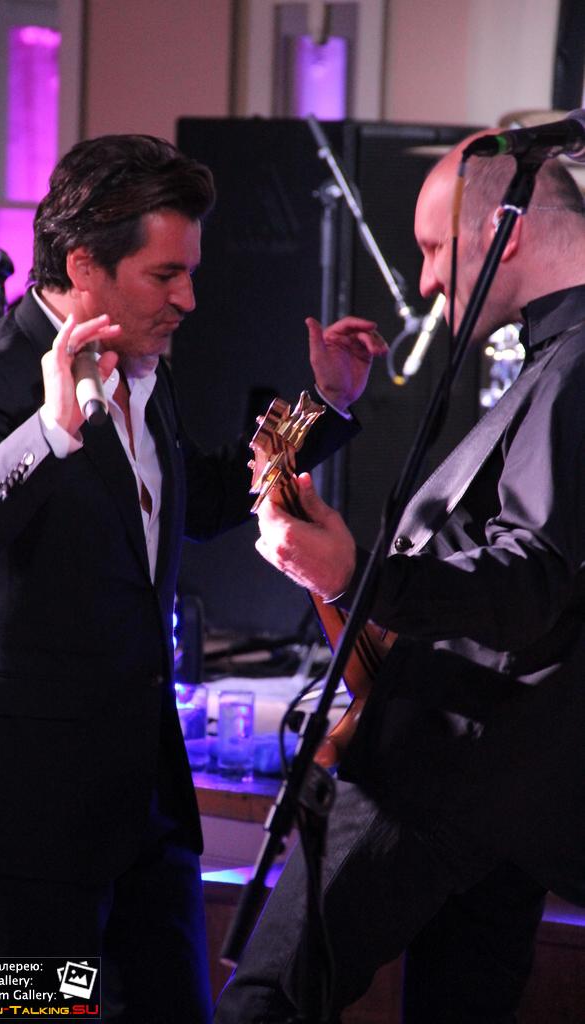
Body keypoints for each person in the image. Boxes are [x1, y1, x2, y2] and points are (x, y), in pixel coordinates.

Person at [0, 134, 386, 1023]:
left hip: (142, 803)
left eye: (188, 274)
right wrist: (49, 431)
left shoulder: (143, 368)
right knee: (23, 1018)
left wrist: (323, 408)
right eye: (166, 276)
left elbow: (199, 497)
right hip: (18, 814)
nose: (188, 299)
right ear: (84, 266)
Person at [215, 138, 585, 1023]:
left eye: (430, 248)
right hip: (506, 788)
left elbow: (529, 583)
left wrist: (356, 576)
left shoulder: (573, 367)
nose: (423, 283)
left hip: (445, 765)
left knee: (264, 1004)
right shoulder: (554, 362)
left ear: (506, 229)